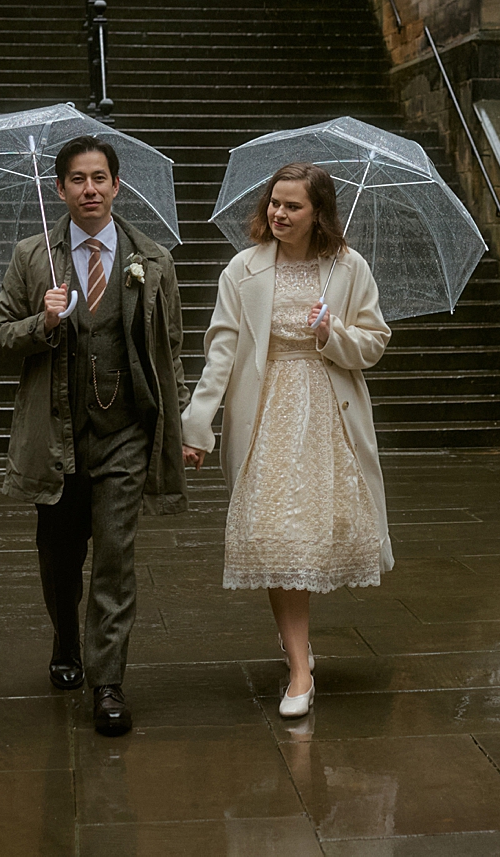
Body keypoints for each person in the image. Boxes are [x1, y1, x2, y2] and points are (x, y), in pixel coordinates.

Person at [180, 162, 392, 719]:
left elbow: (373, 342)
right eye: (274, 202)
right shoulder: (242, 270)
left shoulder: (350, 268)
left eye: (292, 206)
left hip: (328, 416)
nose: (278, 213)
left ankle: (295, 652)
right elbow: (221, 351)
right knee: (276, 535)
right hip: (267, 414)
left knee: (315, 533)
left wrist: (332, 334)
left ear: (318, 212)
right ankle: (300, 667)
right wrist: (197, 425)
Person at [0, 135, 186, 737]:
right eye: (78, 180)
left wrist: (180, 426)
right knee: (60, 555)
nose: (90, 190)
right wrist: (42, 322)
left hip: (125, 432)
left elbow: (170, 352)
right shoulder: (32, 257)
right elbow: (0, 337)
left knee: (115, 558)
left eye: (100, 178)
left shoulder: (151, 259)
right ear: (60, 189)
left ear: (117, 186)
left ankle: (108, 683)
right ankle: (64, 636)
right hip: (58, 435)